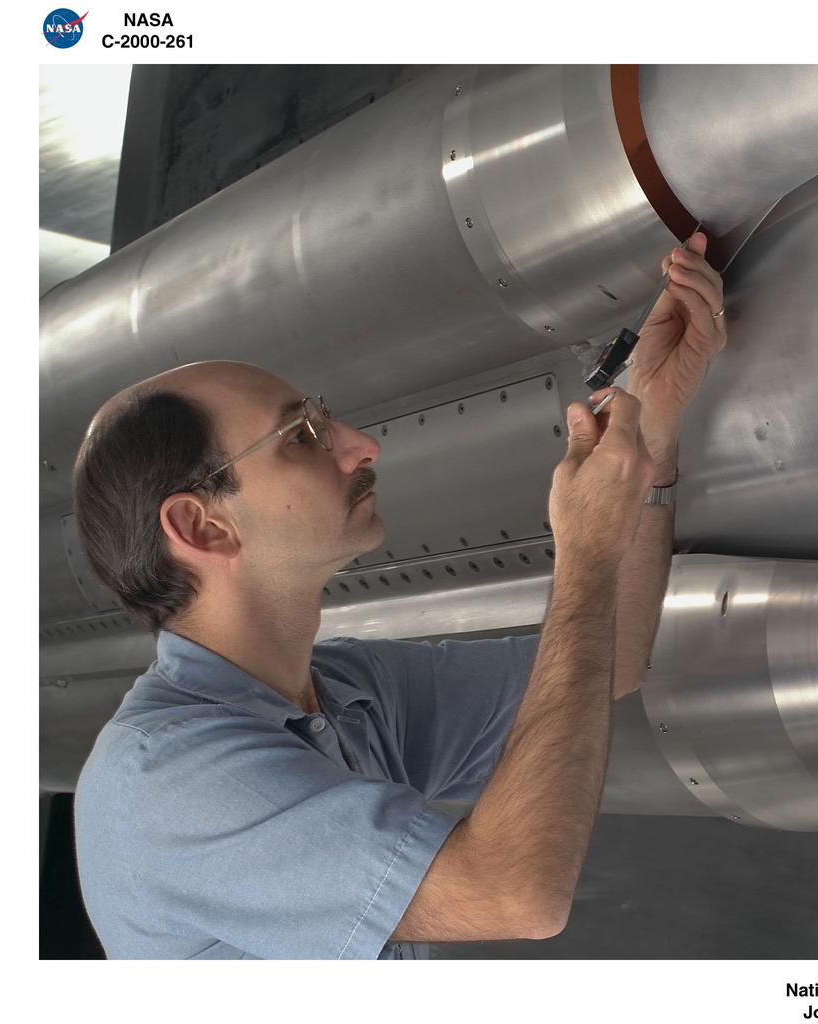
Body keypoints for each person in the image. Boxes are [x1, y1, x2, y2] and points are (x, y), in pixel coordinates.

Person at [71, 232, 727, 959]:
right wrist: (586, 550)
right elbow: (516, 893)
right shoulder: (168, 782)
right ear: (202, 526)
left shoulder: (349, 691)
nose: (360, 445)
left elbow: (613, 656)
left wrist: (650, 440)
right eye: (301, 436)